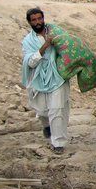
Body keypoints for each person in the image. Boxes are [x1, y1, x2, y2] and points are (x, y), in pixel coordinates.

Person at [21, 8, 70, 154]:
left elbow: (69, 47)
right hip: (38, 78)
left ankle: (58, 143)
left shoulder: (56, 32)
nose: (37, 22)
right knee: (42, 111)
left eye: (39, 19)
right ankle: (46, 126)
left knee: (56, 109)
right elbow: (30, 62)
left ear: (43, 18)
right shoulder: (27, 41)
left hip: (57, 77)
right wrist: (45, 46)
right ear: (29, 22)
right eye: (34, 20)